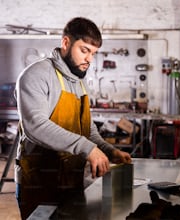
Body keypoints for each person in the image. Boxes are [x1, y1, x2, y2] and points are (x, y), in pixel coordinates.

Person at [14, 17, 132, 219]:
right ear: (66, 43)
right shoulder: (37, 75)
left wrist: (108, 150)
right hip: (39, 181)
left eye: (93, 53)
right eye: (84, 50)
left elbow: (87, 128)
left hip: (71, 180)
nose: (89, 59)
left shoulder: (78, 81)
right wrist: (87, 149)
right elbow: (35, 125)